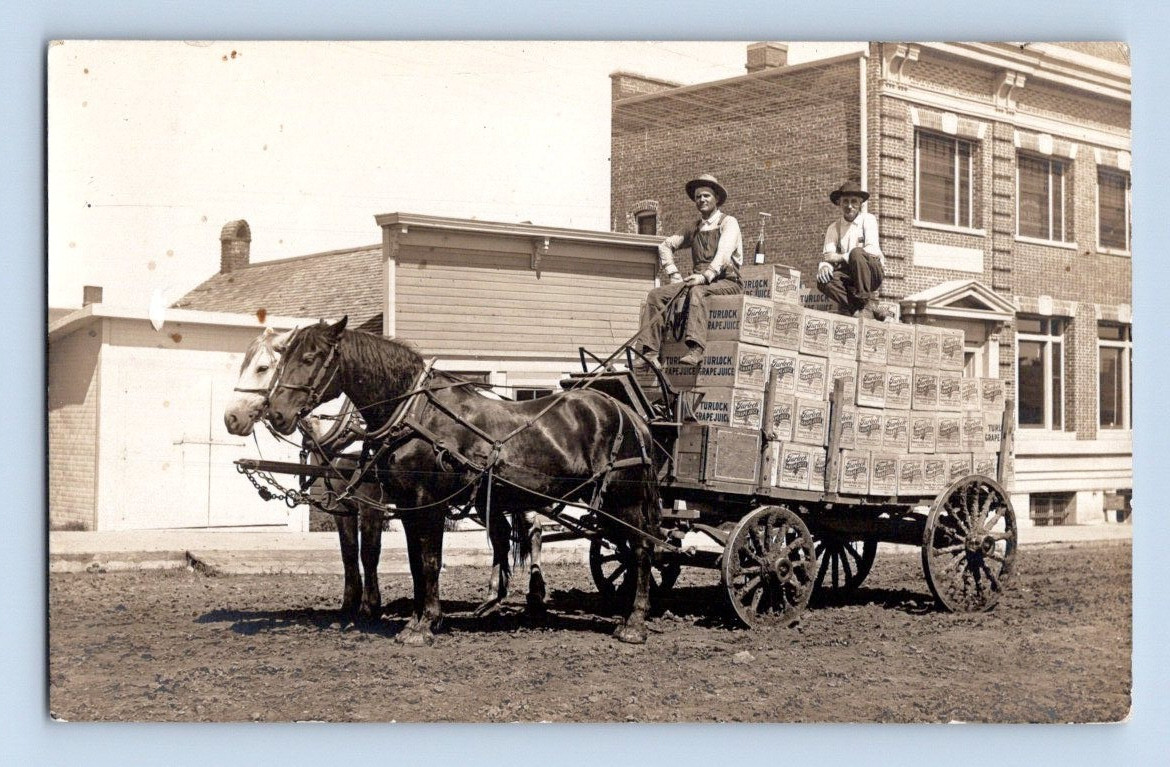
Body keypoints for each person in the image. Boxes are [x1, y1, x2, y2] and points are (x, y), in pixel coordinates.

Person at [635, 174, 744, 367]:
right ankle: (649, 352)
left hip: (727, 282)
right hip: (699, 280)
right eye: (698, 197)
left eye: (706, 196)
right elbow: (665, 246)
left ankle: (696, 349)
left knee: (697, 292)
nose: (701, 200)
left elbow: (724, 255)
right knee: (655, 295)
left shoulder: (728, 223)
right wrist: (674, 275)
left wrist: (705, 276)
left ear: (717, 198)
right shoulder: (694, 227)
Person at [816, 180, 890, 321]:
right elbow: (828, 256)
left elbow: (872, 249)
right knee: (823, 281)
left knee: (857, 253)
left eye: (854, 201)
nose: (849, 206)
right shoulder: (833, 228)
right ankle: (861, 309)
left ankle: (864, 301)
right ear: (839, 203)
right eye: (845, 202)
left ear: (860, 203)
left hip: (871, 272)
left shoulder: (868, 220)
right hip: (850, 276)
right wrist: (824, 267)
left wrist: (841, 257)